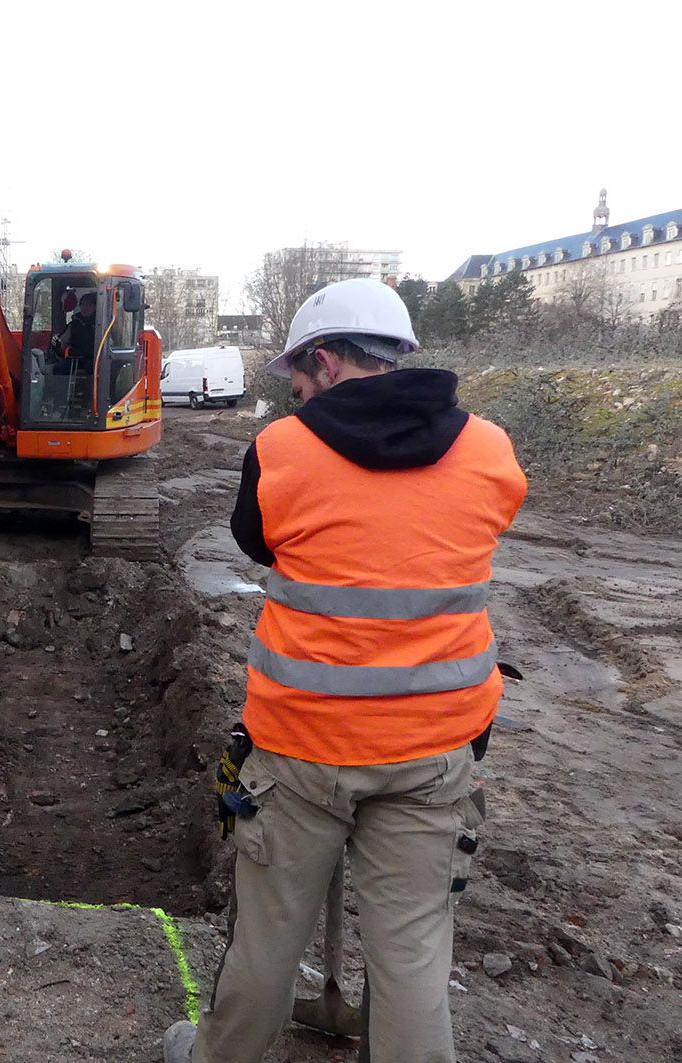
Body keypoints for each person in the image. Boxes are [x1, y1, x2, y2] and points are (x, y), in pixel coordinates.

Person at [164, 278, 526, 1063]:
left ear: (325, 361)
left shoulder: (280, 450)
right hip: (434, 752)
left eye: (295, 374)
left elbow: (259, 544)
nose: (292, 392)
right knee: (413, 950)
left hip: (301, 749)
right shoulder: (490, 449)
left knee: (264, 939)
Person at [51, 291, 97, 375]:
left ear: (95, 307)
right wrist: (58, 343)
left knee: (92, 369)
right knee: (59, 368)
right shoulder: (74, 323)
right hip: (76, 358)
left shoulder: (101, 323)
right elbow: (63, 341)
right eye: (82, 305)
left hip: (95, 359)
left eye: (88, 305)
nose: (85, 308)